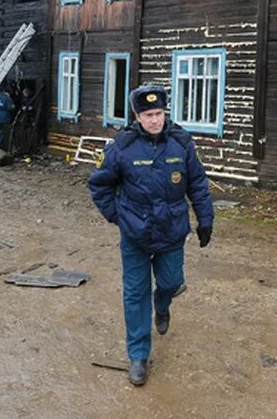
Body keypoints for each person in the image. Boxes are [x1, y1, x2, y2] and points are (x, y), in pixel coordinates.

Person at [87, 85, 214, 386]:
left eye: (158, 113)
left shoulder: (182, 143)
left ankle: (163, 303)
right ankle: (138, 356)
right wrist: (117, 217)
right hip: (135, 235)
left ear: (165, 112)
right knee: (134, 293)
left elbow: (197, 183)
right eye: (147, 115)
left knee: (171, 282)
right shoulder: (122, 146)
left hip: (171, 231)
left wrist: (205, 219)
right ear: (137, 116)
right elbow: (100, 185)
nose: (154, 120)